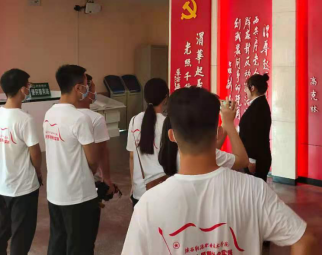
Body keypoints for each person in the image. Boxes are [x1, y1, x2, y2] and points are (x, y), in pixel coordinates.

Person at [122, 87, 316, 254]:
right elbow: (304, 239)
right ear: (218, 133)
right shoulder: (255, 190)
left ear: (172, 136)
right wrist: (229, 124)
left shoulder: (149, 204)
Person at [44, 65, 99, 255]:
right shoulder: (79, 118)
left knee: (57, 241)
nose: (87, 89)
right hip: (78, 195)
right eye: (86, 85)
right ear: (78, 88)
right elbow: (92, 160)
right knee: (80, 246)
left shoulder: (50, 113)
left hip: (55, 192)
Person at [0, 69, 42, 255]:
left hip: (1, 184)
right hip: (23, 187)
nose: (29, 88)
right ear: (22, 89)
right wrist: (38, 172)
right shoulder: (25, 120)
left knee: (0, 231)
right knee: (22, 234)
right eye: (28, 85)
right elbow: (35, 153)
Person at [75, 74, 116, 248]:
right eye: (92, 89)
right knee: (87, 233)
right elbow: (102, 153)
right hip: (88, 184)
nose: (94, 93)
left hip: (65, 186)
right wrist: (107, 179)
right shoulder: (94, 118)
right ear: (83, 89)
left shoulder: (57, 115)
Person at [158, 98, 249, 177]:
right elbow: (243, 161)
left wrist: (226, 121)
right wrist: (229, 123)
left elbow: (214, 151)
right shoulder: (198, 153)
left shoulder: (176, 151)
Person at [126, 78, 170, 207]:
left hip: (140, 190)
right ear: (166, 98)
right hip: (163, 191)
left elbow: (132, 156)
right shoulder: (168, 124)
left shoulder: (134, 120)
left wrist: (133, 186)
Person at [239, 73, 272, 182]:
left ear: (252, 88)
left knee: (254, 189)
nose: (245, 90)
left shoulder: (259, 107)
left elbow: (255, 135)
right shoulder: (259, 104)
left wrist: (252, 160)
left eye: (246, 87)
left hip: (256, 159)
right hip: (257, 157)